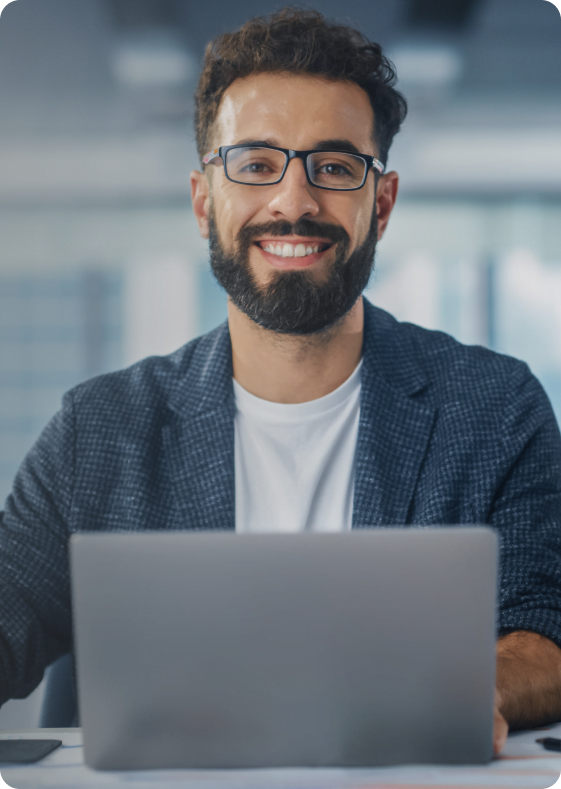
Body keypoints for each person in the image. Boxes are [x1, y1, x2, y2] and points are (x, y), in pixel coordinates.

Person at [1, 6, 561, 755]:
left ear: (381, 203)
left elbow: (548, 626)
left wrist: (467, 686)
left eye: (332, 168)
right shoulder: (98, 430)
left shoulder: (493, 408)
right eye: (256, 164)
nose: (293, 202)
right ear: (205, 200)